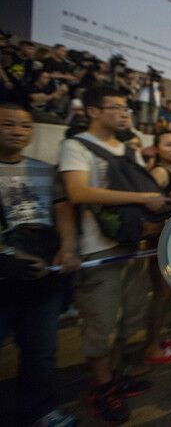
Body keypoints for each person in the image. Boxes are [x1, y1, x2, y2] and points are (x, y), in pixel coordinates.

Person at [58, 86, 169, 424]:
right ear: (93, 110)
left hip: (130, 247)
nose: (125, 114)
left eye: (127, 108)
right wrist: (141, 199)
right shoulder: (75, 147)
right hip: (96, 248)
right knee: (101, 323)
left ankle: (114, 375)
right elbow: (76, 192)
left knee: (129, 317)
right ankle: (101, 386)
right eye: (117, 108)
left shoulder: (128, 150)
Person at [0, 102, 80, 427]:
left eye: (25, 125)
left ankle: (40, 412)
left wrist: (69, 248)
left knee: (41, 352)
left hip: (42, 276)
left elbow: (61, 211)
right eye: (8, 124)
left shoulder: (45, 170)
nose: (18, 131)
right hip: (5, 275)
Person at [142, 131, 171, 366]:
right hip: (160, 240)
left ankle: (157, 339)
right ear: (157, 148)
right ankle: (151, 346)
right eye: (168, 144)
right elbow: (150, 203)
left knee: (165, 294)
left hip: (170, 240)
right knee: (160, 294)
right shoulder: (160, 172)